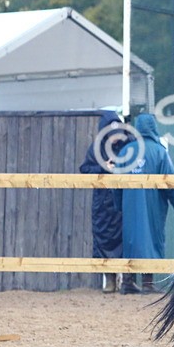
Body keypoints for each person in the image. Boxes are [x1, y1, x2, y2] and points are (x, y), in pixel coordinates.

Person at [120, 113, 174, 294]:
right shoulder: (159, 152)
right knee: (152, 237)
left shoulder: (125, 151)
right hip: (153, 204)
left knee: (130, 238)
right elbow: (172, 184)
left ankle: (127, 281)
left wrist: (119, 204)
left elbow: (114, 184)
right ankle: (148, 282)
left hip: (129, 204)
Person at [79, 109, 128, 293]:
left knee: (124, 237)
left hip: (121, 199)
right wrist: (103, 168)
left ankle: (124, 278)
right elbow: (85, 169)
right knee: (103, 238)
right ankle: (109, 279)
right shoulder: (95, 149)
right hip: (103, 202)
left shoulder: (128, 145)